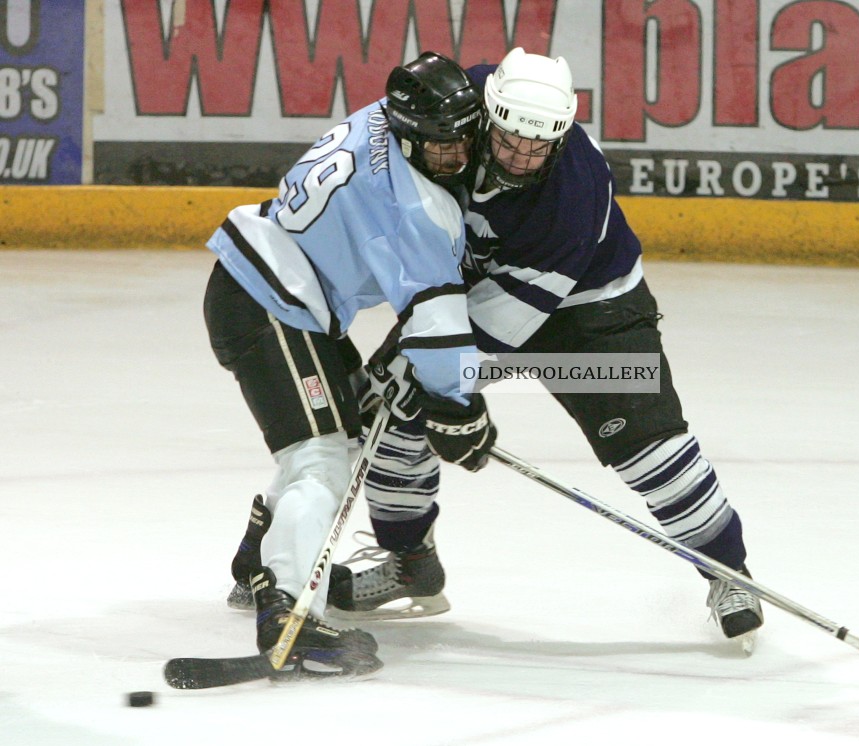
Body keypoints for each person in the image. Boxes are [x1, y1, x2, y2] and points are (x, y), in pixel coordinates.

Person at [319, 47, 764, 653]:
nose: (521, 157)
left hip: (590, 314)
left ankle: (729, 573)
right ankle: (409, 564)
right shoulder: (460, 102)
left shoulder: (572, 196)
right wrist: (422, 385)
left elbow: (504, 326)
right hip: (476, 287)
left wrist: (444, 386)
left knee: (647, 447)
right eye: (508, 141)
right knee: (394, 409)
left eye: (538, 147)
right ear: (488, 113)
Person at [204, 51, 497, 680]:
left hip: (271, 289)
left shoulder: (378, 119)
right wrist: (460, 409)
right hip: (273, 305)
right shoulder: (421, 207)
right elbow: (439, 329)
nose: (459, 156)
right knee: (320, 458)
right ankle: (286, 611)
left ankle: (256, 560)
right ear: (413, 134)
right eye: (443, 146)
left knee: (340, 428)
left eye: (465, 138)